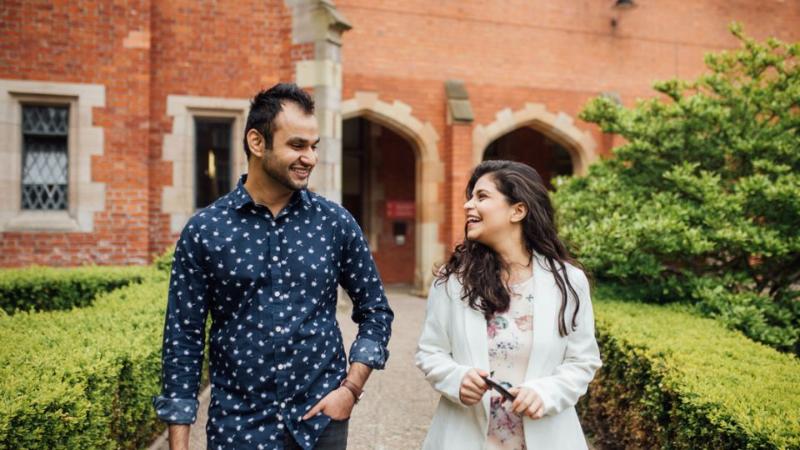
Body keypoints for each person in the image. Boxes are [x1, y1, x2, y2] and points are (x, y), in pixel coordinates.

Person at [153, 83, 393, 450]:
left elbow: (376, 311)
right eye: (297, 145)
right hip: (238, 428)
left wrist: (350, 390)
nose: (310, 158)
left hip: (320, 425)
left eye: (314, 147)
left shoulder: (335, 224)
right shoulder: (205, 231)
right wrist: (179, 444)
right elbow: (182, 340)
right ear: (257, 142)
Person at [415, 160, 601, 450]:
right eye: (470, 196)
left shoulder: (569, 281)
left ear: (518, 210)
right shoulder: (453, 280)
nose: (467, 206)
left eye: (482, 197)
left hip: (547, 438)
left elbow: (583, 361)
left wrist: (545, 392)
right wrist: (457, 378)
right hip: (464, 438)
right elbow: (431, 351)